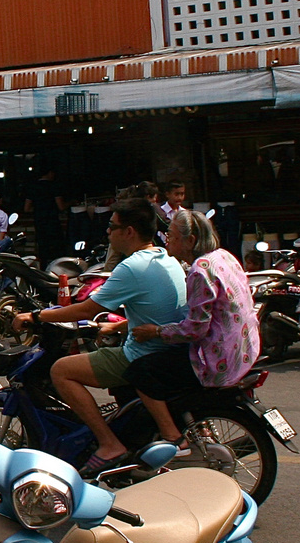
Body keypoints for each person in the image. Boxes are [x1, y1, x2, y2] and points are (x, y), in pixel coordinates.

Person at [14, 198, 186, 471]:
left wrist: (35, 316)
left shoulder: (132, 267)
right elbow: (155, 312)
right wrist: (117, 326)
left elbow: (88, 308)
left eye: (111, 226)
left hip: (144, 355)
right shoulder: (166, 259)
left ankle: (108, 443)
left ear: (129, 231)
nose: (107, 232)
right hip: (165, 349)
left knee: (61, 370)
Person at [125, 209, 259, 445]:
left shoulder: (200, 270)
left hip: (218, 361)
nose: (167, 239)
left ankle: (173, 437)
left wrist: (155, 331)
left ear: (190, 241)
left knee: (139, 371)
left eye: (172, 235)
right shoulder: (224, 256)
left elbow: (194, 330)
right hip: (244, 349)